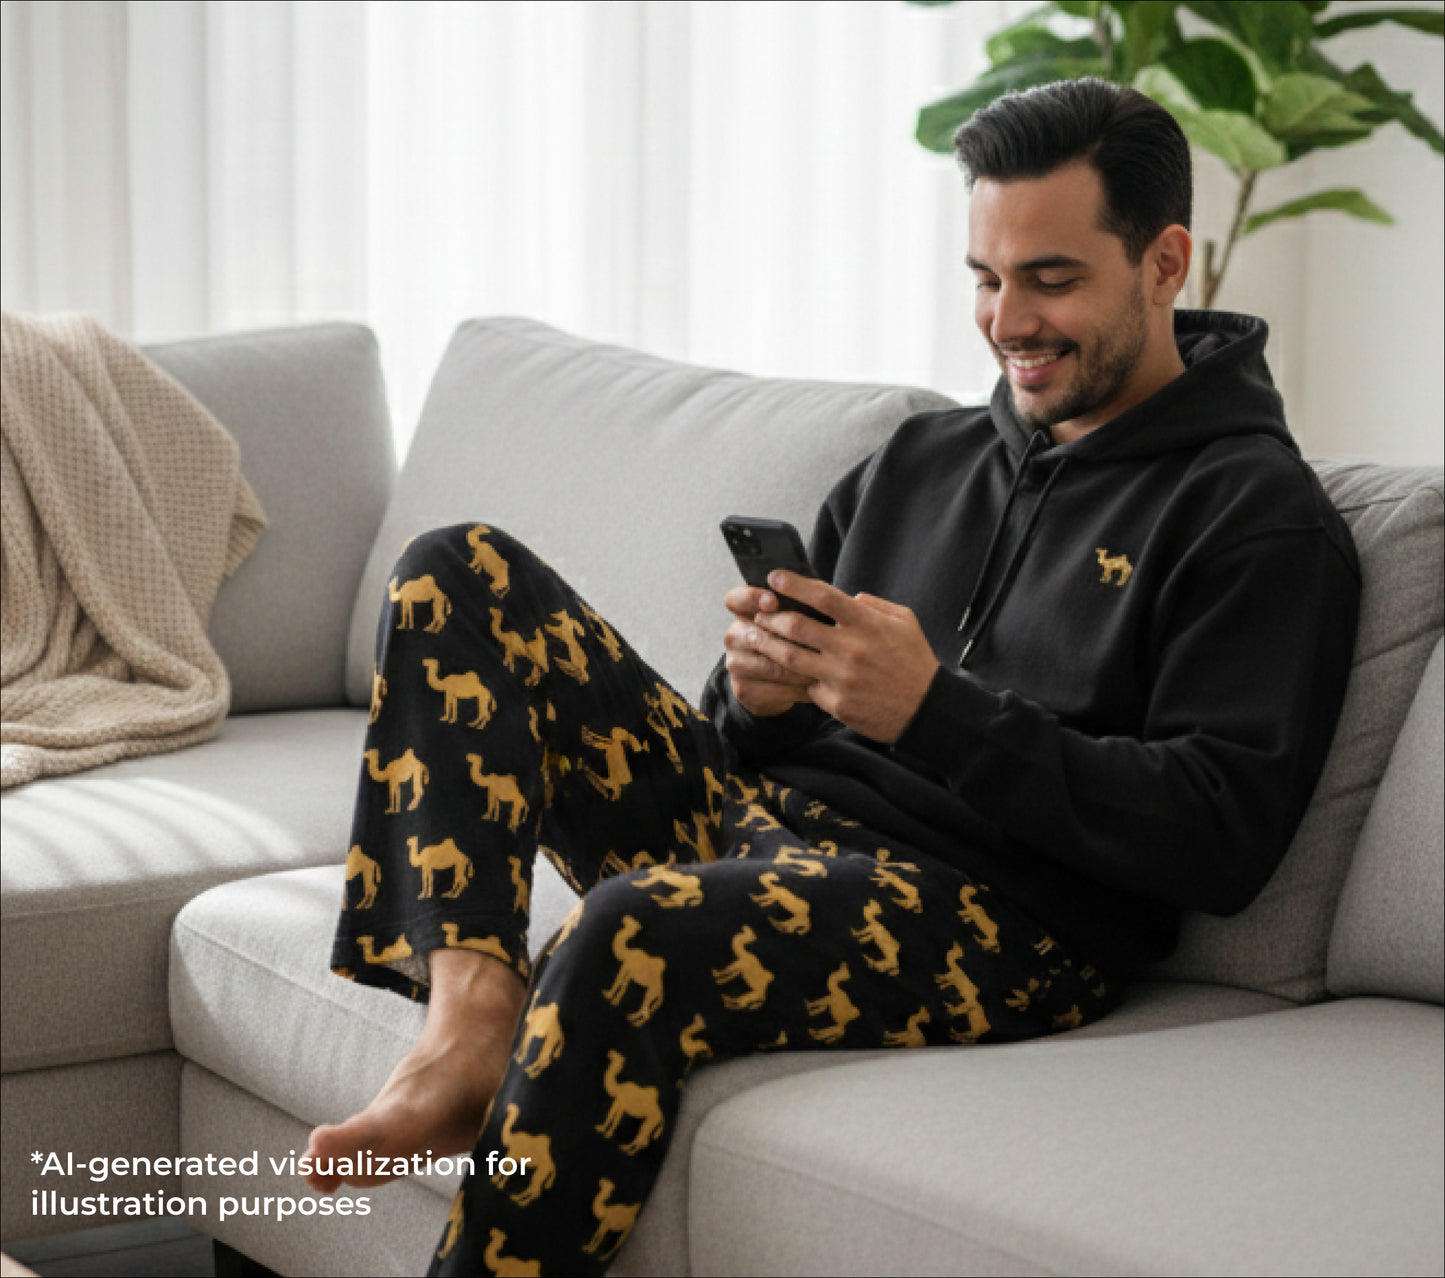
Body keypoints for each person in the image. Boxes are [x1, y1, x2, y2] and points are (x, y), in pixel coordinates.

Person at [302, 77, 1360, 1276]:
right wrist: (751, 702)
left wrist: (934, 713)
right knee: (455, 572)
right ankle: (468, 1024)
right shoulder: (920, 458)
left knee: (626, 929)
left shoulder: (1254, 517)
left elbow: (1218, 838)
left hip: (996, 915)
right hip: (766, 831)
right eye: (983, 277)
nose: (1007, 319)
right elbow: (745, 735)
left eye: (1050, 278)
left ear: (1164, 263)